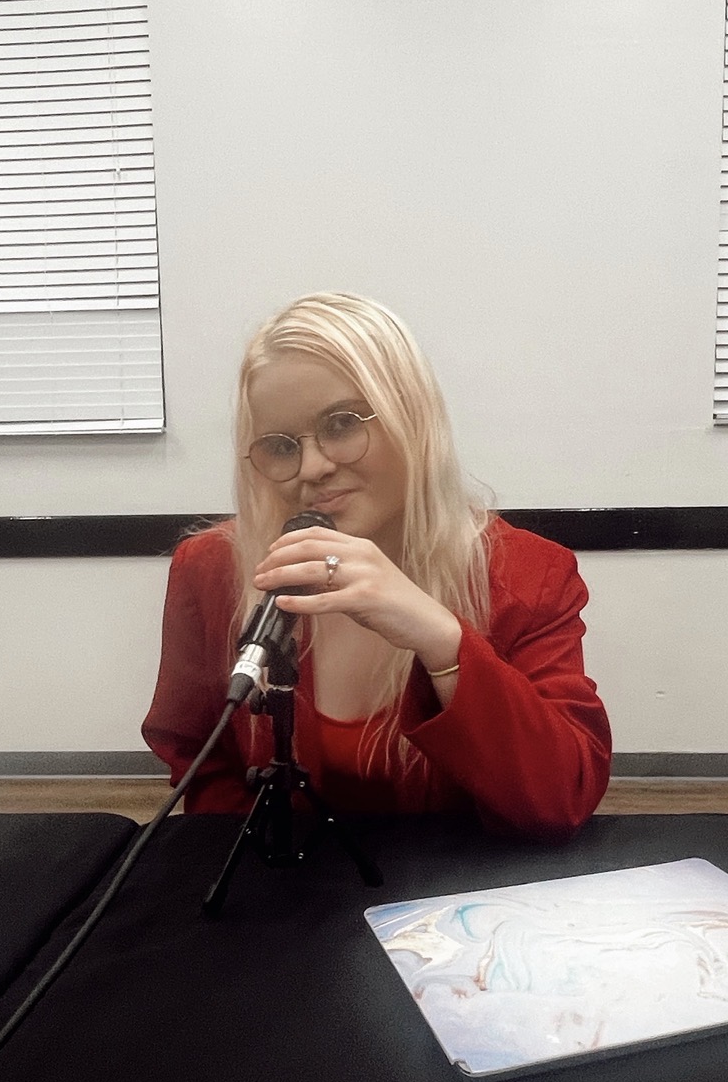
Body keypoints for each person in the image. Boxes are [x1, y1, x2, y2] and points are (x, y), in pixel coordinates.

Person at [143, 292, 611, 838]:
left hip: (451, 895)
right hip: (288, 892)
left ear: (410, 416)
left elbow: (562, 797)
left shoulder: (528, 574)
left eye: (342, 424)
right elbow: (201, 761)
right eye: (279, 444)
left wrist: (441, 640)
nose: (312, 468)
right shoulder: (212, 569)